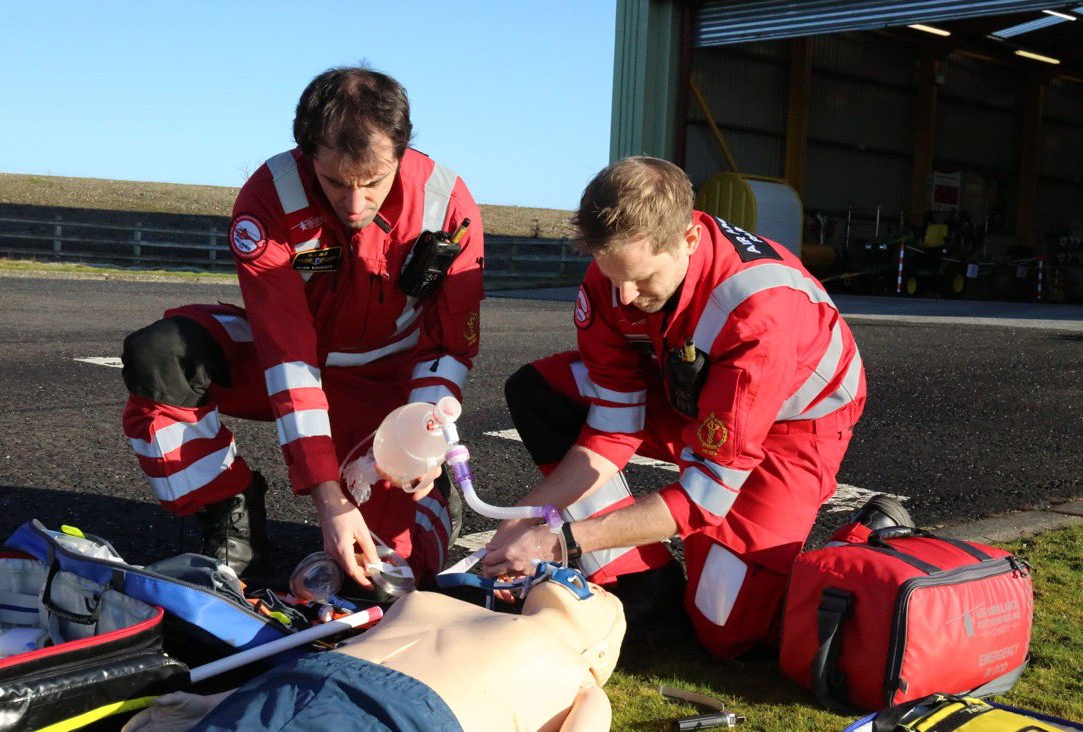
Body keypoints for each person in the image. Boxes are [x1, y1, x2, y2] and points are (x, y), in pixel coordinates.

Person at [483, 156, 865, 658]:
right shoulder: (620, 275)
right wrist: (532, 516)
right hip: (691, 392)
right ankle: (640, 578)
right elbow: (611, 431)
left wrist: (561, 541)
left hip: (791, 428)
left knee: (726, 633)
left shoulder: (760, 316)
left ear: (687, 240)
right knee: (540, 390)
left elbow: (705, 496)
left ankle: (868, 539)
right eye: (611, 274)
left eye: (640, 280)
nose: (623, 296)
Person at [120, 67, 484, 587]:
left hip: (387, 383)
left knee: (387, 576)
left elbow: (449, 342)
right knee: (160, 355)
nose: (354, 205)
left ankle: (432, 497)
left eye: (373, 183)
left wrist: (422, 440)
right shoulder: (268, 198)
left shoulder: (447, 203)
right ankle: (228, 509)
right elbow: (287, 352)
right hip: (288, 357)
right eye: (335, 182)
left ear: (403, 151)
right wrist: (327, 495)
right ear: (305, 151)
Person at [122, 567, 626, 732]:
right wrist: (212, 703)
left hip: (398, 719)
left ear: (600, 655)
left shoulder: (581, 680)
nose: (584, 580)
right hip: (289, 689)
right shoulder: (441, 605)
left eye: (604, 594)